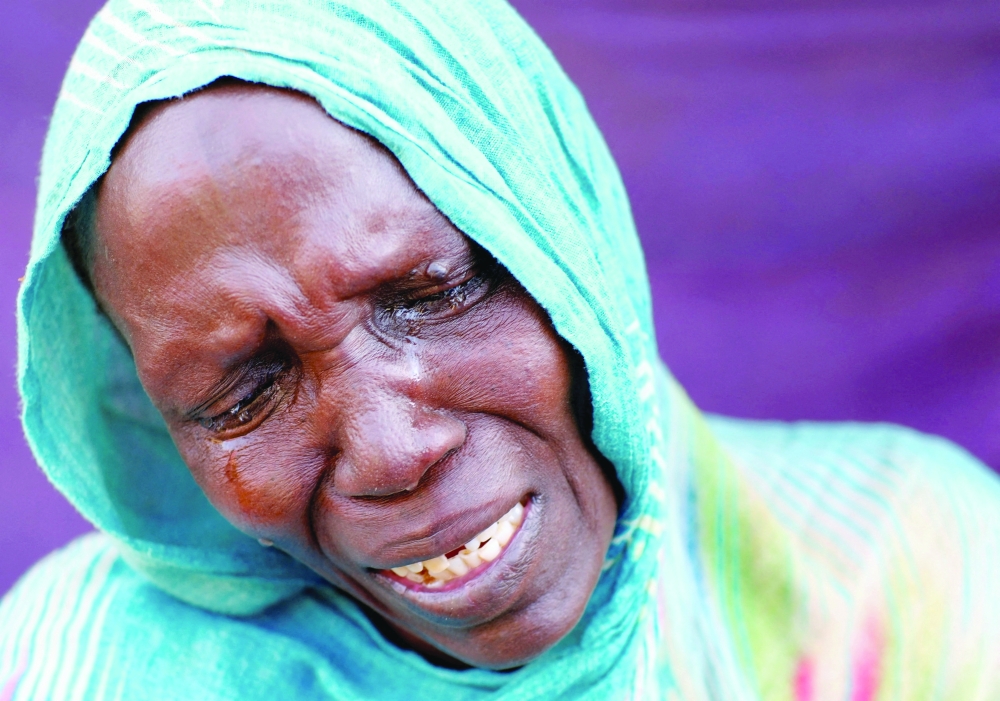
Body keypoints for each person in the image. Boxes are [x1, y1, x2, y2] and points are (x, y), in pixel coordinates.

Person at [2, 1, 998, 699]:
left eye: (429, 293)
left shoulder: (907, 564)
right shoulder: (75, 673)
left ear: (563, 235)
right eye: (245, 392)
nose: (391, 449)